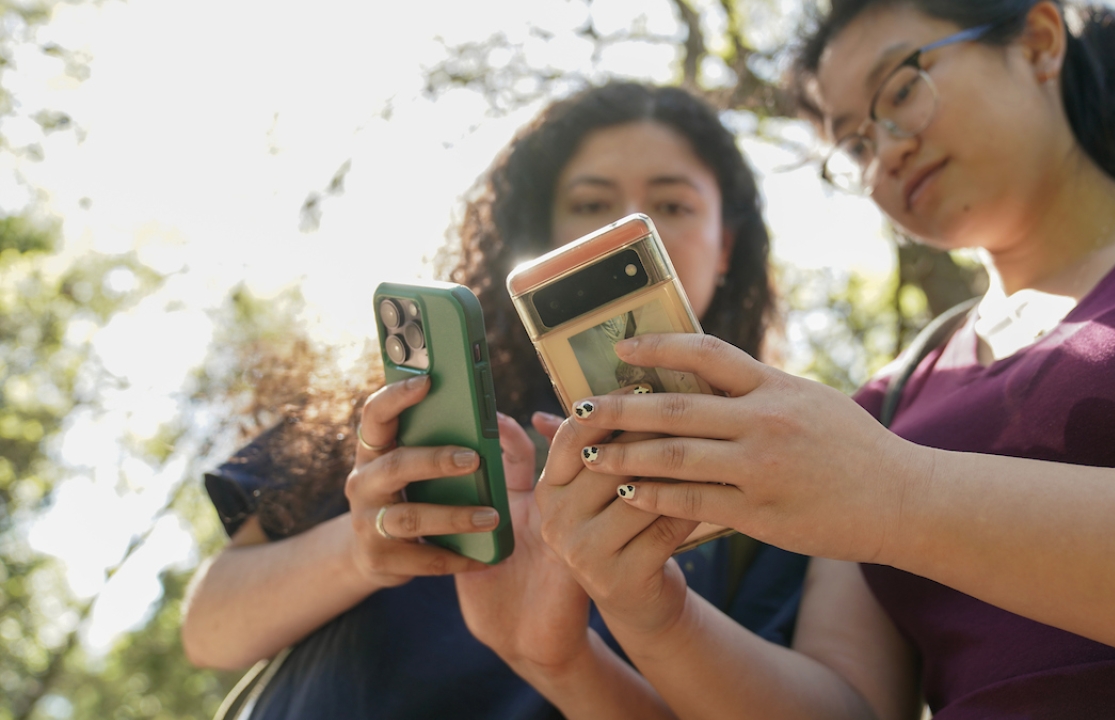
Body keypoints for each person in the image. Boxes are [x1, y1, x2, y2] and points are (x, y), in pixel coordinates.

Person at [525, 2, 1115, 718]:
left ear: (1039, 41)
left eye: (901, 90)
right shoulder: (887, 402)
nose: (885, 152)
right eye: (854, 143)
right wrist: (652, 614)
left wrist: (901, 495)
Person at [181, 82, 809, 719]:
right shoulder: (416, 388)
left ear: (726, 245)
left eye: (671, 205)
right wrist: (363, 548)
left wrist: (564, 661)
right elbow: (209, 630)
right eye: (591, 201)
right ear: (543, 228)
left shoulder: (772, 466)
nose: (623, 228)